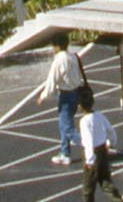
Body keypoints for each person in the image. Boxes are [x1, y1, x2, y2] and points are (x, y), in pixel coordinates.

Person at [37, 35, 87, 166]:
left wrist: (43, 96)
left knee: (67, 127)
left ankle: (92, 144)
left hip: (66, 95)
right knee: (63, 125)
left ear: (57, 46)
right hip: (75, 93)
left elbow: (52, 80)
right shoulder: (73, 57)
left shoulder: (59, 60)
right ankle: (65, 153)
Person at [75, 86, 117, 200]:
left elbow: (88, 142)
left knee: (88, 189)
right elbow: (110, 130)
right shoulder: (99, 114)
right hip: (103, 151)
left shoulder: (84, 121)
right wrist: (112, 142)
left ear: (79, 105)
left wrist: (89, 160)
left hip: (92, 155)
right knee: (106, 183)